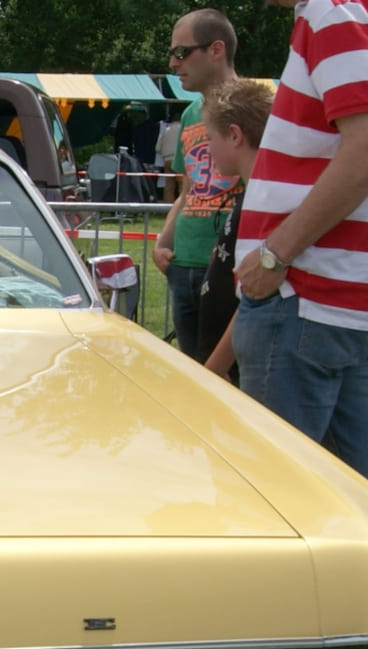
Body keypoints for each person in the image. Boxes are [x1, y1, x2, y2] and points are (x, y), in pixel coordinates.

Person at [232, 0, 368, 492]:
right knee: (357, 510)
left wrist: (275, 254)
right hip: (338, 303)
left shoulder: (334, 12)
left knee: (278, 504)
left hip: (305, 299)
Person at [153, 8, 242, 361]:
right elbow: (189, 190)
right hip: (182, 264)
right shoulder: (190, 114)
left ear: (216, 50)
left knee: (227, 380)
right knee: (193, 378)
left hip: (224, 266)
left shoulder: (253, 108)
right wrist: (162, 242)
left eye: (181, 52)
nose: (173, 64)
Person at [196, 79, 275, 382]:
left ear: (234, 135)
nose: (208, 148)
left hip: (235, 369)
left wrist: (215, 367)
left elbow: (252, 295)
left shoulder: (261, 202)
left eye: (210, 137)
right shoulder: (251, 196)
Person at [154, 111, 181, 202]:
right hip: (179, 160)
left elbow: (157, 148)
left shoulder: (166, 130)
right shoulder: (183, 130)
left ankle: (167, 208)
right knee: (182, 186)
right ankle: (181, 208)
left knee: (169, 187)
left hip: (167, 160)